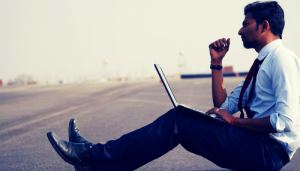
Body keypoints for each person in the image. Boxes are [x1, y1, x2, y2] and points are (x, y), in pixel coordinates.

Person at [47, 1, 300, 171]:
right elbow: (223, 105)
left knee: (179, 121)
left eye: (246, 23)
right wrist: (216, 64)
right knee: (182, 118)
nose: (239, 30)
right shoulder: (262, 63)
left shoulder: (281, 59)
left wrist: (233, 122)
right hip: (255, 142)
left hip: (268, 151)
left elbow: (284, 121)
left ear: (264, 26)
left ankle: (92, 158)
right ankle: (92, 154)